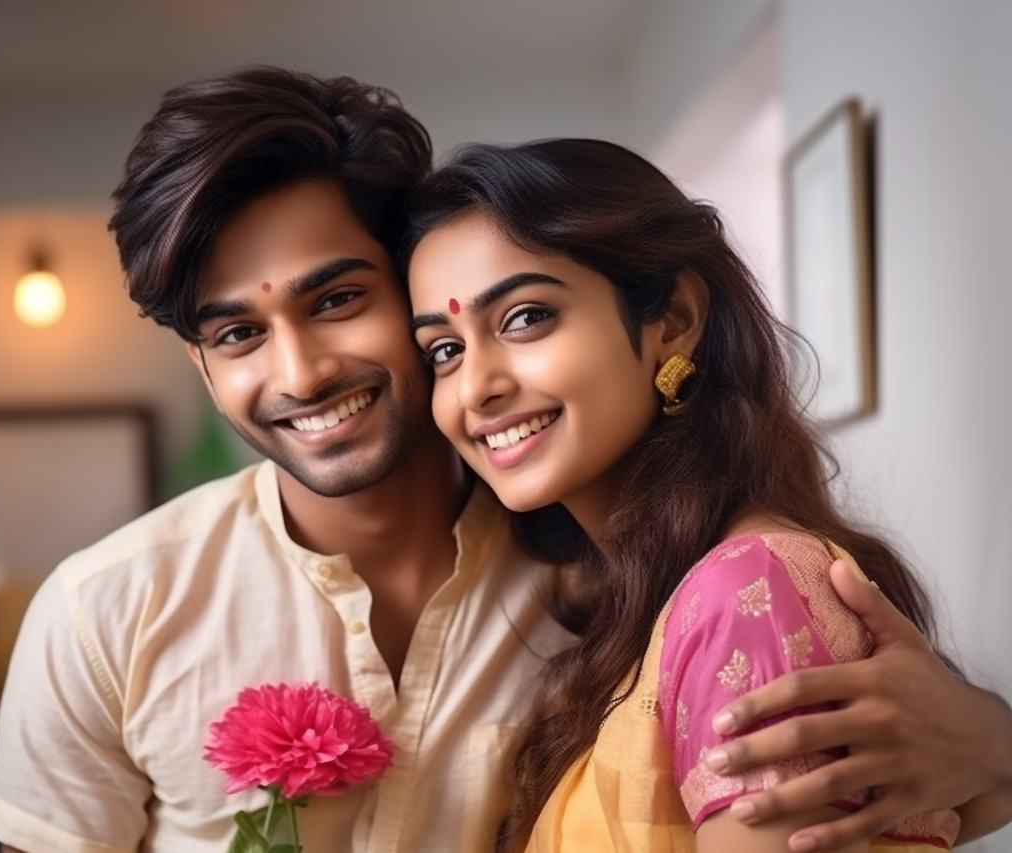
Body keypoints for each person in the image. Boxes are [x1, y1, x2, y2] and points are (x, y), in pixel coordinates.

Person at [0, 68, 1012, 853]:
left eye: (336, 299)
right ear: (201, 367)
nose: (299, 371)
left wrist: (991, 735)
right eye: (236, 335)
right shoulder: (104, 612)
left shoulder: (606, 573)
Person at [404, 138, 1012, 852]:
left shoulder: (745, 588)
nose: (476, 386)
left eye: (526, 317)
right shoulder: (633, 604)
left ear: (676, 320)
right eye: (444, 350)